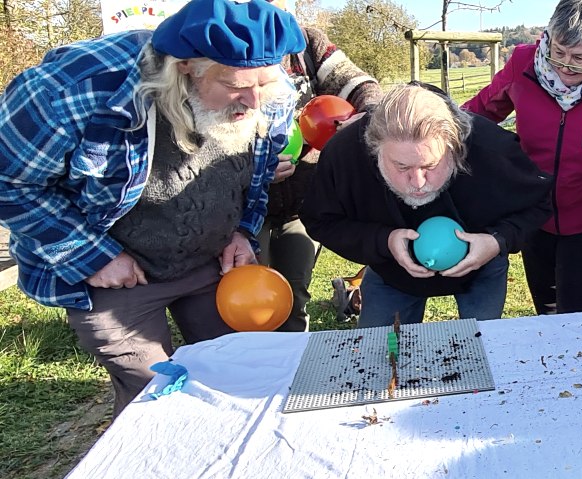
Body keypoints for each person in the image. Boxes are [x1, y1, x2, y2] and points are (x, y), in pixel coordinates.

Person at [0, 0, 305, 416]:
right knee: (156, 397)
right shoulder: (74, 89)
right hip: (114, 277)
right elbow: (10, 182)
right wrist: (91, 257)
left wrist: (243, 230)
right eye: (235, 85)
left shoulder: (267, 89)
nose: (254, 101)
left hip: (211, 264)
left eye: (266, 83)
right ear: (186, 66)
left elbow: (258, 171)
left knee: (232, 376)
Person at [301, 84, 552, 327]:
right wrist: (383, 241)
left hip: (481, 265)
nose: (418, 182)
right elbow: (320, 219)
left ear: (454, 147)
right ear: (374, 150)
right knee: (379, 355)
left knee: (482, 350)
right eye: (402, 167)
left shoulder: (491, 149)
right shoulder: (345, 155)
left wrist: (497, 241)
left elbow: (541, 200)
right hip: (391, 271)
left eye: (429, 166)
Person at [463, 0, 582, 315]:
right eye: (558, 52)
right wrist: (432, 124)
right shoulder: (523, 64)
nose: (564, 66)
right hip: (533, 213)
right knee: (545, 309)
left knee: (578, 312)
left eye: (579, 58)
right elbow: (478, 113)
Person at [258, 6, 383, 331]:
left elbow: (358, 83)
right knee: (256, 306)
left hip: (302, 205)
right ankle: (254, 378)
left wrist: (365, 115)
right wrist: (252, 170)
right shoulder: (224, 53)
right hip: (244, 210)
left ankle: (292, 376)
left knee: (294, 297)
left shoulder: (306, 43)